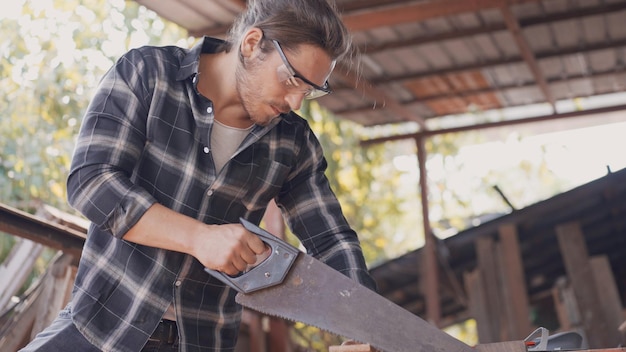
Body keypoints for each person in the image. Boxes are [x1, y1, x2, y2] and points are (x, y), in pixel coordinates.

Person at [21, 0, 376, 351]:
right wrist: (199, 239)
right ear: (252, 44)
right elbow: (91, 181)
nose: (296, 102)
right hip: (99, 328)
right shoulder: (147, 74)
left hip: (202, 341)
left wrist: (364, 321)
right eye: (291, 80)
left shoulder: (293, 143)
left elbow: (331, 240)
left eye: (310, 90)